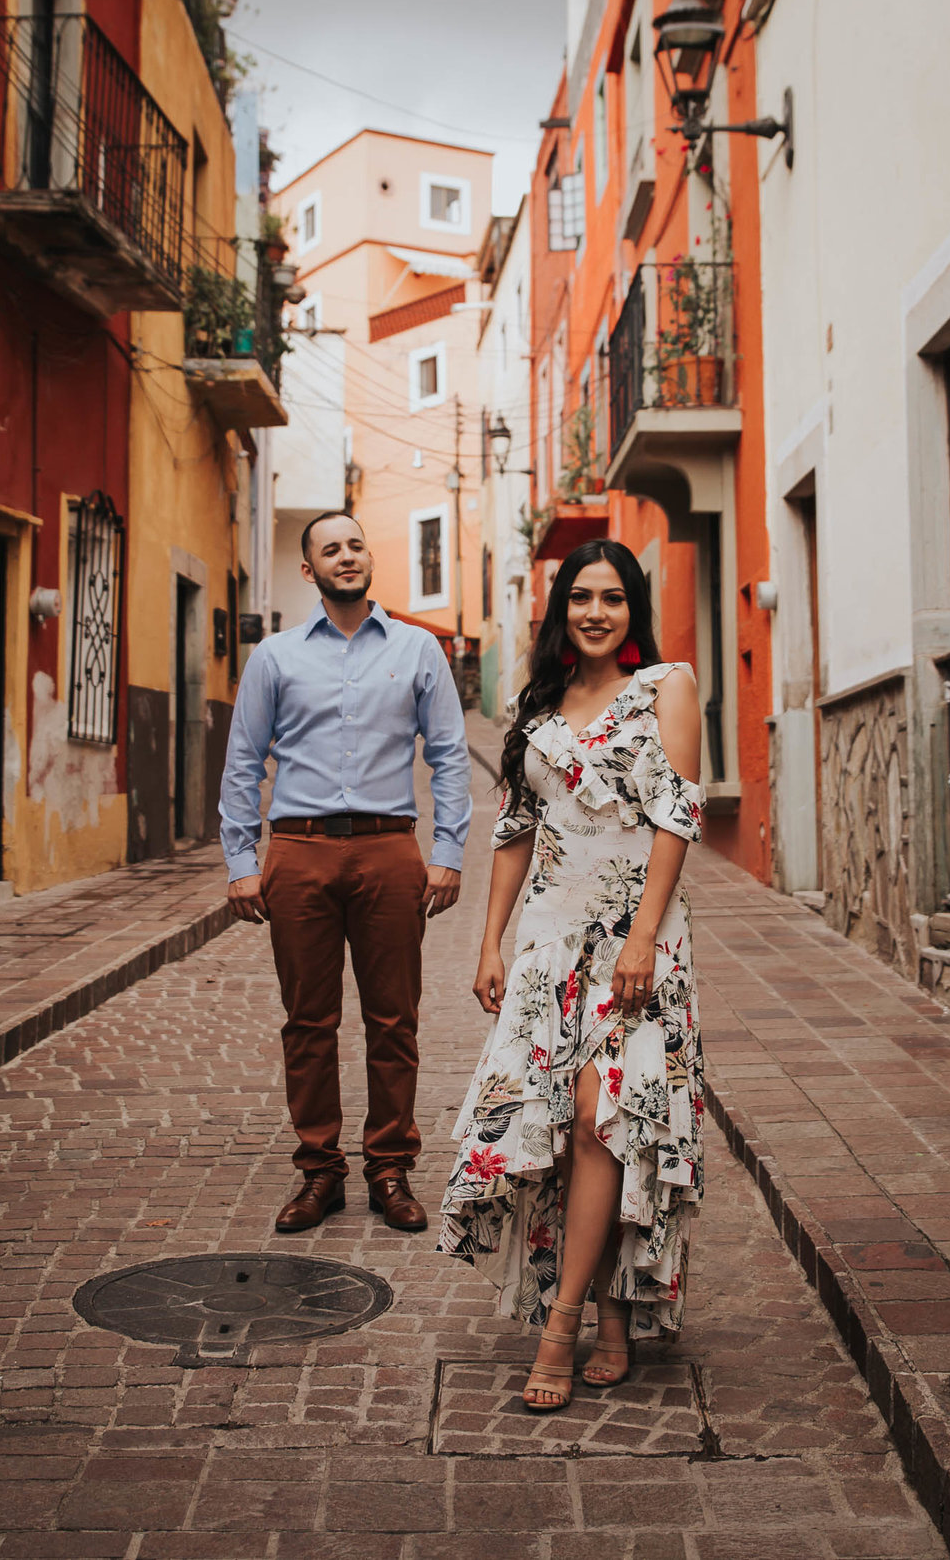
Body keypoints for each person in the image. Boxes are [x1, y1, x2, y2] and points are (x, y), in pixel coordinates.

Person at [436, 539, 708, 1414]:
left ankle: (561, 1328)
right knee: (550, 1132)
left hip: (637, 938)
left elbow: (677, 814)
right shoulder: (542, 707)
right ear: (562, 609)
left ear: (634, 610)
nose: (598, 612)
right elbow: (516, 829)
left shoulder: (669, 685)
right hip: (551, 942)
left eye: (615, 598)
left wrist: (640, 938)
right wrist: (492, 941)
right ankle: (612, 1313)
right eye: (583, 597)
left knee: (603, 1118)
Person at [220, 510, 471, 1235]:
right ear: (309, 571)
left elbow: (450, 758)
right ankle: (319, 1171)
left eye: (357, 543)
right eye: (330, 548)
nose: (347, 556)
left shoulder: (420, 650)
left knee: (395, 1019)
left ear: (369, 557)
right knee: (309, 1022)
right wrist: (242, 862)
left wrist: (448, 851)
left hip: (389, 849)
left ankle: (390, 1168)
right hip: (296, 852)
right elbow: (243, 762)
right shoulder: (275, 657)